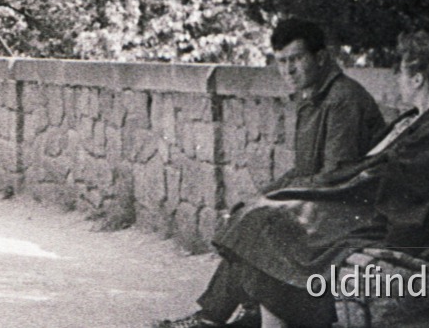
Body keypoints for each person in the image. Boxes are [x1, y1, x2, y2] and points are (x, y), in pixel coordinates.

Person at [157, 18, 388, 328]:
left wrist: (277, 199)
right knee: (253, 215)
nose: (288, 70)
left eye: (296, 59)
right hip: (324, 203)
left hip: (348, 211)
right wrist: (266, 194)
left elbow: (337, 176)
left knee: (259, 223)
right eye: (281, 61)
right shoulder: (313, 97)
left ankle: (218, 316)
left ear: (321, 58)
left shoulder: (341, 100)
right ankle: (227, 314)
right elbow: (306, 170)